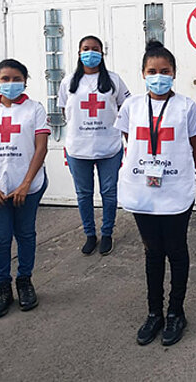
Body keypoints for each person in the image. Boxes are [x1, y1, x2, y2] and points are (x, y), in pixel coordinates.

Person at [115, 40, 196, 347]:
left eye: (164, 71)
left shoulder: (186, 106)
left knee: (176, 250)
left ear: (174, 73)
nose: (158, 76)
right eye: (152, 71)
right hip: (142, 190)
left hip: (175, 189)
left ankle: (176, 312)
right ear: (143, 73)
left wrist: (172, 168)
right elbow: (130, 140)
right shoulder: (131, 106)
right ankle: (154, 313)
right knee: (152, 251)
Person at [0, 59, 50, 319]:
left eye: (16, 78)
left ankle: (25, 281)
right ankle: (3, 287)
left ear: (25, 81)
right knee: (0, 237)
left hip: (28, 184)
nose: (10, 83)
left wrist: (26, 184)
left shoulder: (35, 109)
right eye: (5, 79)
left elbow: (41, 148)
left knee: (26, 233)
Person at [58, 35, 131, 256]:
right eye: (86, 49)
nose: (91, 53)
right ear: (79, 53)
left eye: (95, 49)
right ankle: (90, 234)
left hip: (109, 147)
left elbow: (126, 110)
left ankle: (107, 233)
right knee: (83, 194)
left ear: (102, 53)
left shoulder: (114, 80)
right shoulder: (68, 81)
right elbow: (64, 111)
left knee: (109, 193)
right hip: (78, 149)